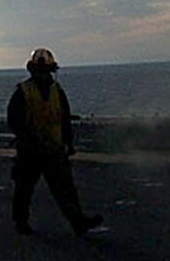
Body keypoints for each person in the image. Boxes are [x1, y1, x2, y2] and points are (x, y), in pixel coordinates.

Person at [7, 48, 103, 236]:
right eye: (40, 70)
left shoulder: (56, 91)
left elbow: (64, 118)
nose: (43, 74)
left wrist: (68, 143)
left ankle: (78, 222)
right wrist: (27, 140)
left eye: (45, 70)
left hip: (54, 150)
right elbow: (14, 121)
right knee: (24, 190)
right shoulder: (23, 91)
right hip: (30, 152)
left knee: (66, 190)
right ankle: (21, 222)